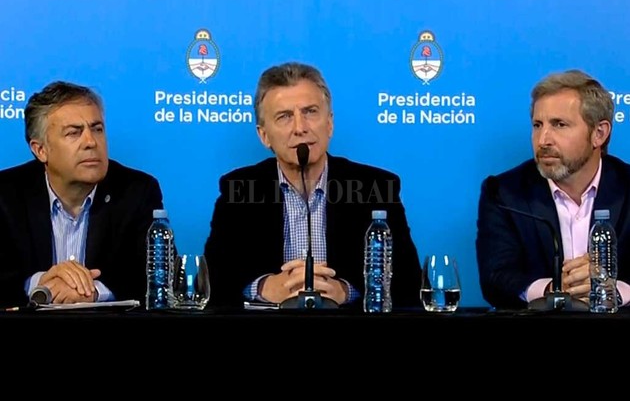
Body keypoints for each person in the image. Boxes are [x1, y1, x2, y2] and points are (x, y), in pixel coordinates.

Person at [204, 62, 421, 309]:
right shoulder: (239, 188)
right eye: (284, 116)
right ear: (264, 135)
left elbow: (409, 283)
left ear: (329, 124)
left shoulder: (376, 187)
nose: (300, 128)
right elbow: (212, 281)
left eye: (310, 112)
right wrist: (263, 287)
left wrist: (344, 291)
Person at [0, 81, 164, 307]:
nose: (90, 142)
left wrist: (93, 291)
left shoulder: (137, 191)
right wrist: (41, 284)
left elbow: (158, 277)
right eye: (73, 133)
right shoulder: (5, 195)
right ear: (41, 150)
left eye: (97, 129)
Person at [476, 69, 630, 310]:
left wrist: (610, 290)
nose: (543, 140)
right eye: (537, 125)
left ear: (599, 134)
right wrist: (555, 290)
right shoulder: (504, 193)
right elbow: (496, 278)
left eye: (559, 124)